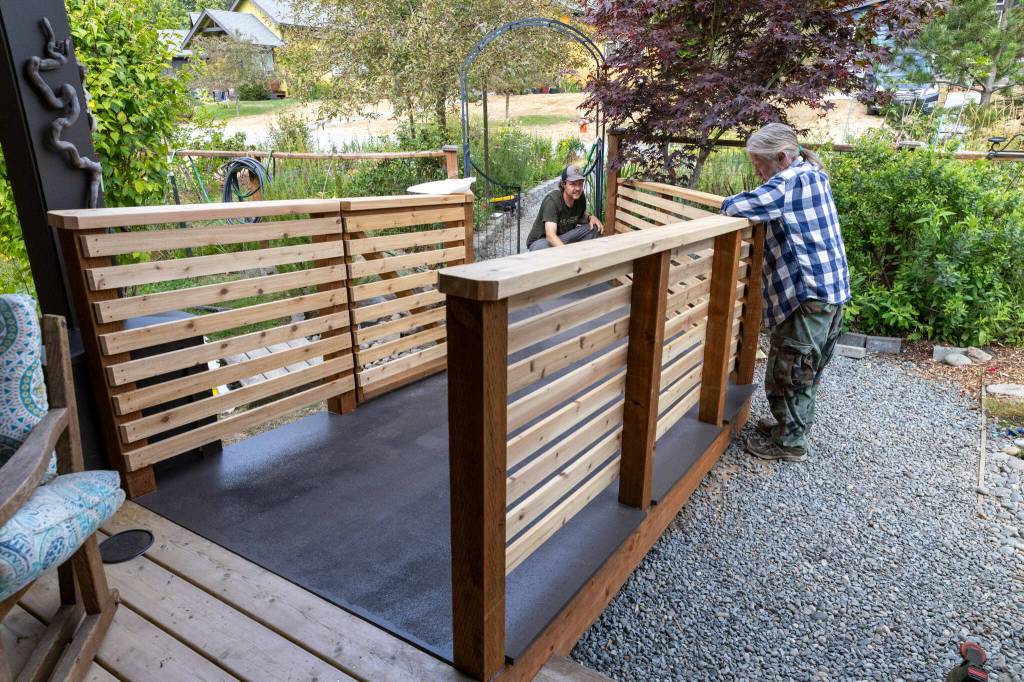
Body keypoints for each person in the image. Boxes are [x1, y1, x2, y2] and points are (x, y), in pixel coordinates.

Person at [720, 123, 851, 463]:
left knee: (789, 368)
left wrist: (727, 202)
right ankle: (787, 428)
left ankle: (790, 443)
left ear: (780, 158)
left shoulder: (790, 182)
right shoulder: (813, 175)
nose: (756, 171)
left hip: (810, 295)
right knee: (806, 366)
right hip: (830, 292)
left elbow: (734, 206)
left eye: (758, 163)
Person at [526, 165, 604, 251]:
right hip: (541, 241)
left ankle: (582, 256)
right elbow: (550, 236)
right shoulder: (552, 200)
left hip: (563, 237)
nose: (578, 188)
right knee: (541, 247)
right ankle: (571, 255)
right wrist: (567, 254)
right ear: (563, 184)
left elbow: (579, 217)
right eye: (573, 184)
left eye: (580, 184)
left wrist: (590, 217)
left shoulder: (580, 197)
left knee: (595, 228)